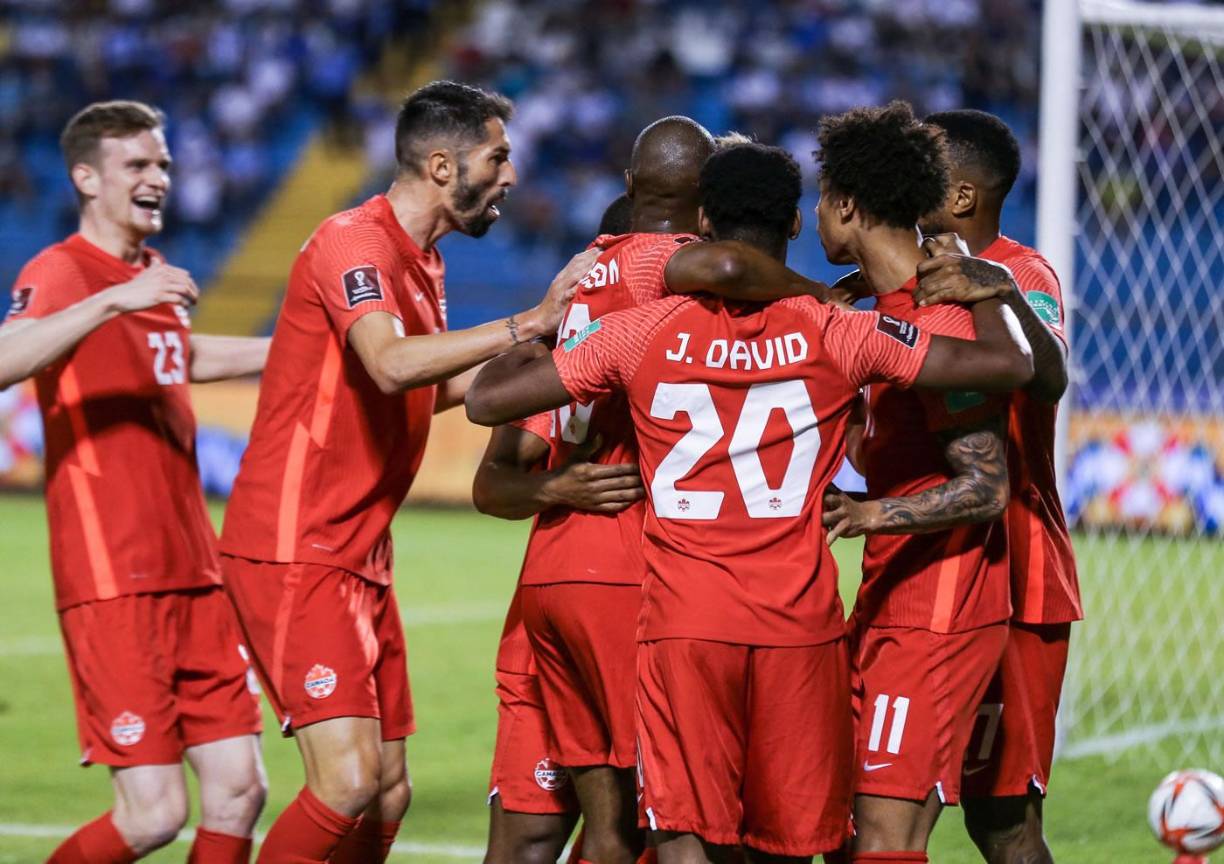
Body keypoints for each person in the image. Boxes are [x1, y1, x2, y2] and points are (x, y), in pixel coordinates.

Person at [464, 141, 1034, 864]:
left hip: (683, 622)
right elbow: (1008, 364)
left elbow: (487, 401)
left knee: (680, 838)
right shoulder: (839, 333)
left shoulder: (640, 333)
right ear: (795, 227)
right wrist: (988, 291)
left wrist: (546, 325)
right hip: (799, 623)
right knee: (789, 843)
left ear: (702, 220)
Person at [216, 80, 593, 864]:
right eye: (498, 155)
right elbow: (389, 365)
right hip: (295, 545)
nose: (512, 175)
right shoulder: (353, 241)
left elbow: (438, 386)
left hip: (357, 553)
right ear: (442, 165)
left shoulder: (421, 261)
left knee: (389, 790)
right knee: (346, 782)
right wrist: (529, 320)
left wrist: (558, 355)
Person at [0, 100, 270, 864]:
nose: (159, 179)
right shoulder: (61, 272)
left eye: (164, 166)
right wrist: (110, 299)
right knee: (152, 814)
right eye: (139, 166)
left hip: (194, 571)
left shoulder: (149, 275)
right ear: (86, 178)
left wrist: (290, 350)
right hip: (113, 575)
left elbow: (175, 358)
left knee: (239, 792)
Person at [811, 102, 1019, 863]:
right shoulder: (884, 314)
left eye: (821, 198)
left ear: (848, 207)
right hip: (892, 600)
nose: (814, 216)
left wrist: (868, 514)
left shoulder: (941, 326)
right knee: (847, 835)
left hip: (939, 612)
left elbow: (985, 487)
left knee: (886, 843)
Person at [915, 109, 1081, 864]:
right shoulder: (902, 277)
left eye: (917, 170)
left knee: (1002, 816)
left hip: (1016, 569)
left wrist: (998, 293)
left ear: (959, 197)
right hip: (925, 568)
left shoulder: (1023, 271)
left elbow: (1046, 378)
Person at [477, 195, 640, 864]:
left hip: (622, 602)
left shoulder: (688, 346)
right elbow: (492, 483)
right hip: (559, 618)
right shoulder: (567, 355)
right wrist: (556, 485)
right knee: (533, 835)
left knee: (622, 829)